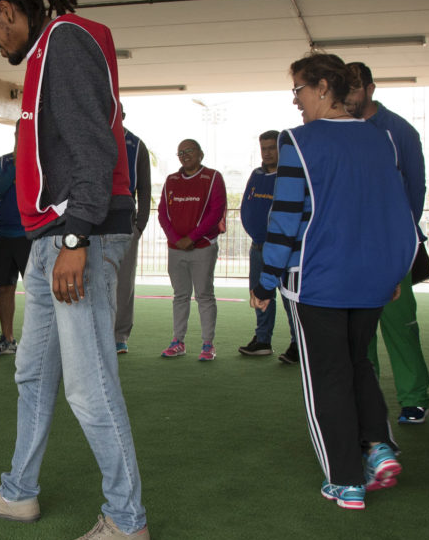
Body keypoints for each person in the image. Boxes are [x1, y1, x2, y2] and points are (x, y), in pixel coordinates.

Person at [0, 0, 150, 540]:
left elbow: (95, 148)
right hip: (50, 239)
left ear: (8, 11)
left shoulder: (64, 43)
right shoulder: (43, 54)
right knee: (33, 371)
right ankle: (19, 492)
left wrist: (74, 238)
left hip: (77, 236)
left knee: (90, 387)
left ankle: (127, 519)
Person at [252, 53, 415, 510]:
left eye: (299, 90)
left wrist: (265, 283)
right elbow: (398, 212)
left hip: (320, 281)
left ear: (323, 87)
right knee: (358, 362)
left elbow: (283, 221)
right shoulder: (381, 140)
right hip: (371, 280)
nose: (297, 102)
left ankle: (344, 480)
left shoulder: (298, 142)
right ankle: (377, 445)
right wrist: (396, 268)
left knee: (328, 375)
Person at [345, 62, 429, 424]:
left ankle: (414, 398)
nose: (347, 97)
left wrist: (400, 247)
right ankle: (368, 399)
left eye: (352, 89)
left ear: (370, 88)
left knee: (400, 327)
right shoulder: (340, 132)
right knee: (358, 334)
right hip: (350, 252)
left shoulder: (400, 132)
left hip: (392, 250)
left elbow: (416, 190)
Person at [157, 140, 226, 360]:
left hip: (203, 246)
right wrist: (176, 239)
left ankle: (208, 345)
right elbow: (162, 213)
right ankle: (178, 342)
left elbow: (216, 212)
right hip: (175, 248)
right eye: (181, 153)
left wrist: (192, 238)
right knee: (180, 296)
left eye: (189, 151)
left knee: (204, 295)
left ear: (200, 154)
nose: (185, 155)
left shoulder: (213, 177)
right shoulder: (171, 180)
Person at [238, 130, 296, 361]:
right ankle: (262, 340)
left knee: (289, 299)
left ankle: (297, 344)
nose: (268, 152)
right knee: (260, 296)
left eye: (272, 147)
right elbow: (246, 205)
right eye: (264, 148)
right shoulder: (256, 174)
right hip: (258, 249)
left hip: (283, 251)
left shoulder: (289, 176)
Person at [0, 124, 30, 357]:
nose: (22, 136)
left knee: (36, 290)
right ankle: (8, 339)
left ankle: (36, 341)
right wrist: (16, 167)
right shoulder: (4, 161)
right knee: (4, 287)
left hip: (29, 234)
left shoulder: (42, 159)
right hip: (4, 234)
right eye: (19, 132)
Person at [113, 109, 151, 354]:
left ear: (122, 115)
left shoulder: (136, 145)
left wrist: (140, 224)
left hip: (125, 223)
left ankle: (119, 335)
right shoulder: (90, 136)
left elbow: (145, 188)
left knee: (123, 283)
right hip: (93, 222)